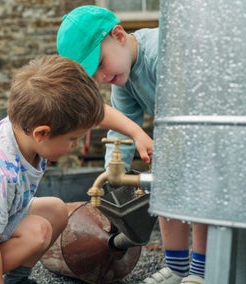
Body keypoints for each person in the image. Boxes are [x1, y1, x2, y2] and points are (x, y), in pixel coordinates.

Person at [0, 54, 152, 284]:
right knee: (37, 231)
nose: (75, 145)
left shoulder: (26, 123)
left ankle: (16, 279)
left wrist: (136, 133)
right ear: (41, 133)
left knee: (57, 211)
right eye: (73, 139)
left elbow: (98, 113)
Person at [56, 5, 207, 284]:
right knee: (161, 183)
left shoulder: (163, 52)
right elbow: (121, 132)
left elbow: (189, 106)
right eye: (93, 75)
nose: (101, 77)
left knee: (199, 190)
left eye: (100, 63)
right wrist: (113, 182)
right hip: (177, 132)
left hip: (204, 127)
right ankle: (178, 268)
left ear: (119, 35)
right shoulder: (122, 81)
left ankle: (201, 270)